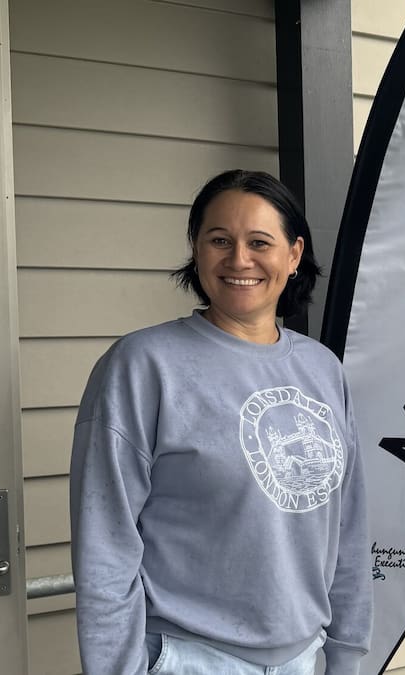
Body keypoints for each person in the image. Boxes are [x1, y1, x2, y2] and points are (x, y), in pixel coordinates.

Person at [70, 169, 371, 675]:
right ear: (196, 248)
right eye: (219, 240)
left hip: (305, 658)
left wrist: (345, 655)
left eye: (260, 242)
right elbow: (106, 542)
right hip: (189, 659)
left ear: (293, 255)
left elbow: (349, 529)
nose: (239, 259)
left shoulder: (323, 370)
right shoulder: (144, 365)